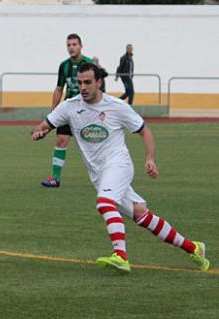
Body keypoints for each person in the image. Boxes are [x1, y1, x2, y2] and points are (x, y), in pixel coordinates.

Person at [30, 63, 210, 273]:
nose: (83, 87)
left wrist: (150, 159)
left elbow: (145, 131)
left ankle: (121, 255)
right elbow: (43, 126)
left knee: (105, 203)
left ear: (98, 82)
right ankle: (194, 248)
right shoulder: (70, 106)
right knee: (141, 215)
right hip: (98, 175)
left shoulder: (116, 106)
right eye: (79, 83)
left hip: (119, 165)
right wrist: (39, 132)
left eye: (87, 82)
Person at [41, 33, 94, 188]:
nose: (71, 47)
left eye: (74, 44)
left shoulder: (89, 64)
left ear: (81, 46)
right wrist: (53, 112)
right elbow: (59, 89)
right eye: (69, 45)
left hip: (85, 110)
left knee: (89, 144)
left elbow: (98, 88)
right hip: (68, 109)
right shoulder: (64, 66)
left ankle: (103, 175)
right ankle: (55, 178)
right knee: (61, 140)